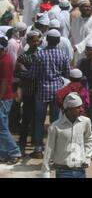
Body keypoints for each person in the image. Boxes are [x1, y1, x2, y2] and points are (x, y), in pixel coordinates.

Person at [29, 29, 70, 159]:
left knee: (39, 121)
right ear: (58, 41)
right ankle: (54, 149)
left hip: (41, 92)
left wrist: (21, 72)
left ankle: (38, 149)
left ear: (47, 40)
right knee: (55, 122)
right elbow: (67, 74)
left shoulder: (39, 55)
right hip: (57, 92)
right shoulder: (63, 55)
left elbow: (32, 75)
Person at [41, 93, 92, 178]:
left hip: (80, 170)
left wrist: (87, 157)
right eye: (78, 107)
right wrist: (45, 171)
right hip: (63, 171)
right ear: (68, 110)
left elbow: (89, 138)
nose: (81, 109)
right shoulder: (55, 127)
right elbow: (49, 149)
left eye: (81, 106)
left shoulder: (85, 122)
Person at [0, 36, 21, 164]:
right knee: (3, 126)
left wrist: (0, 98)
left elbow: (4, 81)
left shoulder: (5, 61)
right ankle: (4, 152)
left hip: (4, 98)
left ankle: (14, 151)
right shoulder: (3, 58)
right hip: (5, 98)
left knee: (1, 127)